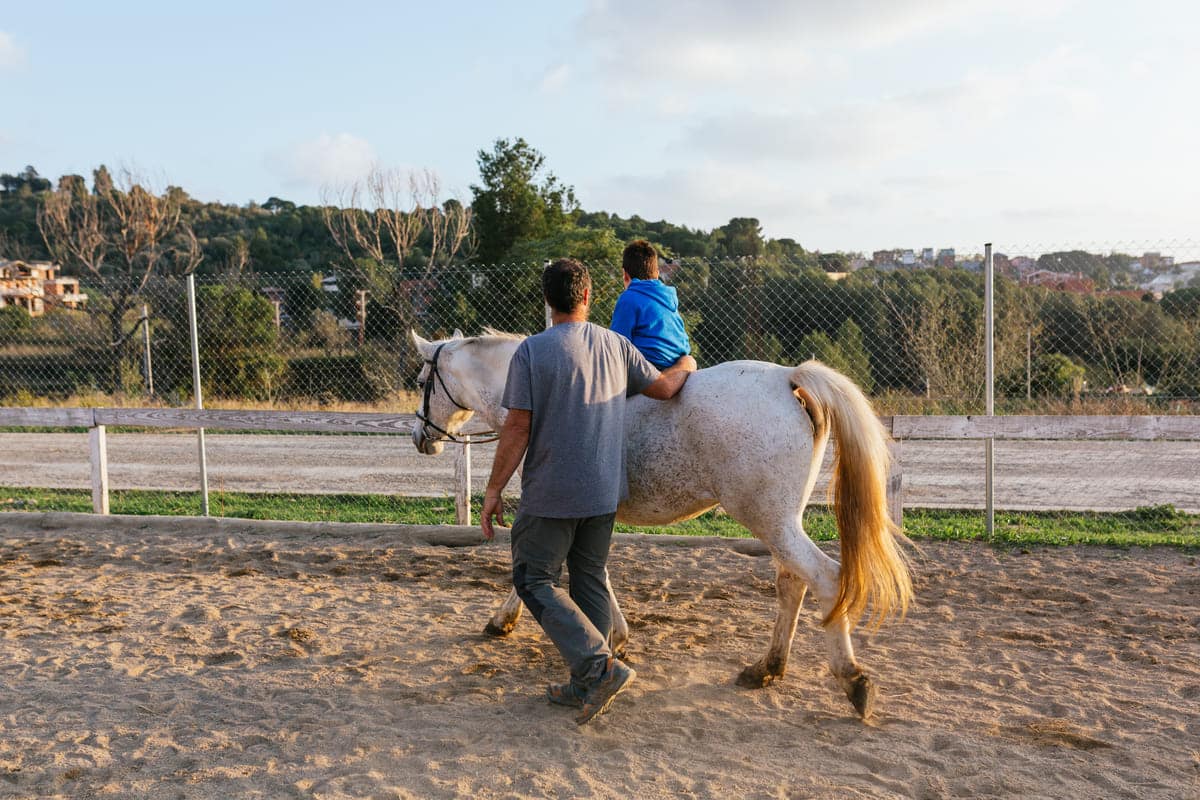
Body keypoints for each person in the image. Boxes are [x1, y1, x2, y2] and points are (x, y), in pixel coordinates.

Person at [481, 258, 695, 725]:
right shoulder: (616, 345)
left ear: (548, 300)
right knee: (589, 578)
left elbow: (518, 426)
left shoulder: (532, 353)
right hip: (603, 492)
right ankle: (586, 683)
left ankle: (599, 668)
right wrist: (686, 364)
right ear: (587, 297)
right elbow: (662, 389)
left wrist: (494, 488)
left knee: (532, 579)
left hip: (553, 493)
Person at [610, 239, 696, 372]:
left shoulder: (628, 298)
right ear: (657, 273)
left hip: (651, 367)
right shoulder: (669, 297)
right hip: (679, 361)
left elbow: (617, 345)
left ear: (625, 275)